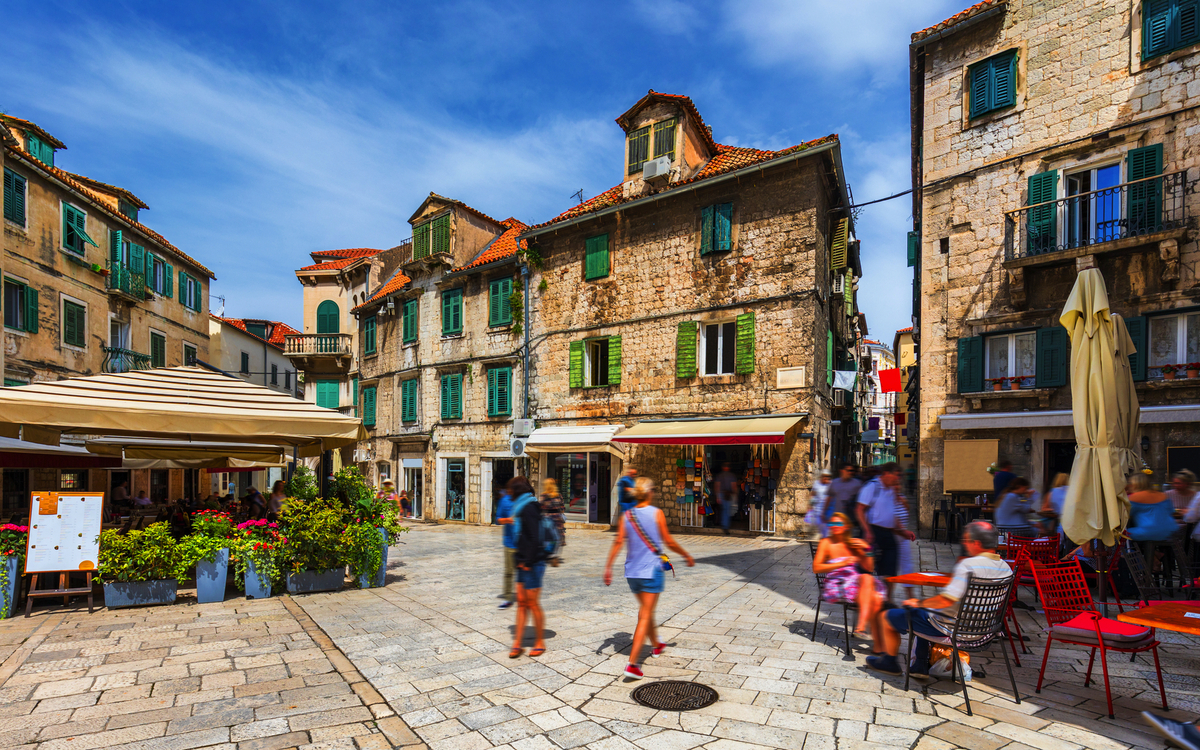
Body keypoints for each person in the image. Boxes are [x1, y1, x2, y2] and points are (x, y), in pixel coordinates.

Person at [867, 520, 1013, 677]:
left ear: (976, 543)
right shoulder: (1006, 568)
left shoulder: (969, 565)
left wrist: (918, 602)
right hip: (983, 632)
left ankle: (889, 663)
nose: (964, 544)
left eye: (966, 540)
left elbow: (946, 600)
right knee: (927, 612)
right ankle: (919, 665)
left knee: (888, 616)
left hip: (953, 630)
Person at [603, 477, 694, 680]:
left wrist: (608, 567)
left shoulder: (627, 515)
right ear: (649, 492)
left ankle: (657, 644)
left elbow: (618, 542)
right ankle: (633, 664)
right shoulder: (656, 513)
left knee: (646, 610)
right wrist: (686, 555)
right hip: (651, 571)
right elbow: (669, 541)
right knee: (644, 614)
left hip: (632, 573)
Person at [812, 513, 883, 639]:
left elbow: (869, 568)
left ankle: (863, 631)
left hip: (853, 583)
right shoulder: (826, 542)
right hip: (836, 584)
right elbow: (816, 568)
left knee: (869, 582)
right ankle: (874, 638)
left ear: (846, 526)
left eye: (838, 523)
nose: (835, 526)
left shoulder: (852, 544)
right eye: (832, 523)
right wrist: (842, 563)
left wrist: (867, 548)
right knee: (874, 596)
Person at [510, 476, 548, 658]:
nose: (509, 493)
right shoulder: (521, 507)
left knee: (532, 603)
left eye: (511, 490)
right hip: (522, 561)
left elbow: (534, 538)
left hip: (533, 562)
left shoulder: (530, 507)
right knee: (521, 603)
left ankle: (540, 642)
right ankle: (517, 643)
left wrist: (527, 561)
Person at [856, 463, 914, 579]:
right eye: (896, 475)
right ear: (887, 473)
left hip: (888, 534)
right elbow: (859, 509)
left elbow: (891, 514)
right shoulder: (872, 487)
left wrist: (903, 531)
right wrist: (867, 530)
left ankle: (885, 590)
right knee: (866, 571)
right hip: (873, 532)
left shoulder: (891, 490)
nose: (898, 478)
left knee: (890, 570)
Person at [1125, 473, 1177, 567]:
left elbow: (1125, 514)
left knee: (1122, 538)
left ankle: (1144, 567)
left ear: (1135, 484)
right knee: (1138, 539)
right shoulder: (1163, 495)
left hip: (1149, 531)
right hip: (1169, 531)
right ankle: (1154, 555)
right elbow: (1171, 511)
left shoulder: (1134, 497)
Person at [496, 483, 516, 610]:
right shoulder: (504, 501)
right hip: (510, 543)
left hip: (524, 543)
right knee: (509, 572)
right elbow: (498, 520)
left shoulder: (524, 501)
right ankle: (508, 598)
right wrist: (508, 520)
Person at [540, 478, 566, 565]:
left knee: (548, 537)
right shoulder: (558, 496)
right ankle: (555, 555)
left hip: (548, 519)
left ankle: (549, 554)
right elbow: (562, 508)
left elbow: (541, 507)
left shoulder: (544, 496)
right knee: (558, 537)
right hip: (558, 518)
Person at [804, 469, 834, 536]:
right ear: (822, 476)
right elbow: (813, 495)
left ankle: (825, 539)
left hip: (827, 511)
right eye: (824, 476)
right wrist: (810, 507)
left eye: (828, 476)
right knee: (822, 529)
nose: (826, 478)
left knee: (827, 530)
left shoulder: (831, 484)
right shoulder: (817, 484)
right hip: (818, 511)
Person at [714, 463, 740, 535]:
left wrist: (718, 496)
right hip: (729, 494)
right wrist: (735, 495)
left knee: (724, 509)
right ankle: (725, 525)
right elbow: (734, 486)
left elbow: (717, 486)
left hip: (721, 494)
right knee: (727, 510)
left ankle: (723, 524)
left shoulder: (719, 475)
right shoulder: (732, 476)